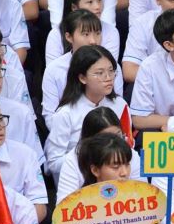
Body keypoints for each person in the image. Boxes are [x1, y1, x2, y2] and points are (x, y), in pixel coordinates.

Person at [45, 46, 128, 181]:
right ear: (82, 78)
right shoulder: (66, 113)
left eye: (111, 71)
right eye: (100, 73)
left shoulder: (120, 105)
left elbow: (127, 145)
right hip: (78, 181)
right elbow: (53, 163)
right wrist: (89, 152)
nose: (108, 78)